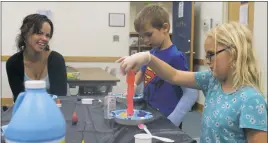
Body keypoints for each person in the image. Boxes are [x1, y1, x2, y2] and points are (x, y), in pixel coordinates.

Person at [117, 21, 267, 142]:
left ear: (234, 53)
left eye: (211, 55)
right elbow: (174, 75)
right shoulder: (212, 81)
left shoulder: (252, 100)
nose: (207, 61)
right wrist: (147, 58)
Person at [130, 4, 198, 128]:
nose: (145, 40)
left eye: (149, 34)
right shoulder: (151, 54)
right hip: (150, 113)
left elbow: (190, 93)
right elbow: (142, 73)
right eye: (142, 36)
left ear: (165, 28)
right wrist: (133, 86)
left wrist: (174, 120)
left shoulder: (176, 57)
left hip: (168, 118)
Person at [6, 13, 67, 102]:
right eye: (39, 33)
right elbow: (19, 99)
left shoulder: (56, 60)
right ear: (25, 34)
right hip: (27, 112)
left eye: (47, 35)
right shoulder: (13, 63)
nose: (45, 39)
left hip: (54, 112)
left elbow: (59, 99)